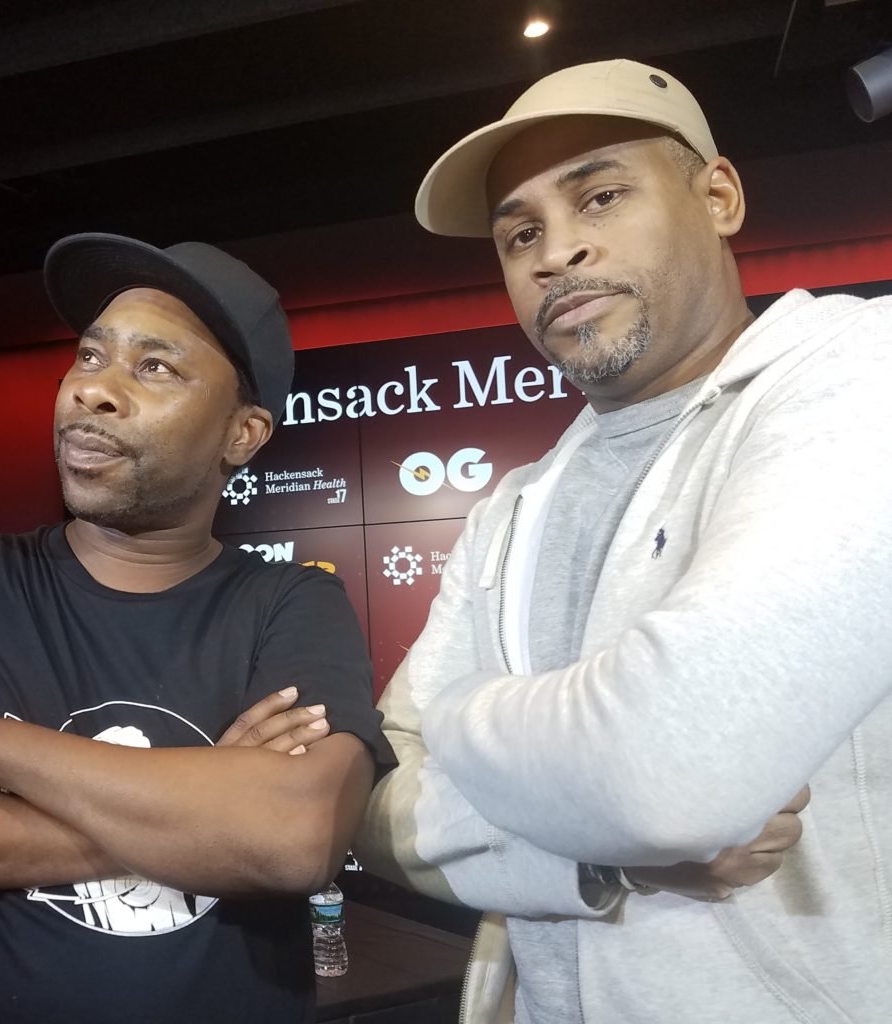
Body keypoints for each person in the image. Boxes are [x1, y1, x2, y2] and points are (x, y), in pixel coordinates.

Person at [357, 59, 892, 1023]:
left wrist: (468, 714)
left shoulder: (859, 370)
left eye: (599, 196)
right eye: (520, 234)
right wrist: (597, 856)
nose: (555, 253)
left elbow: (669, 772)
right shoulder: (510, 509)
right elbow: (376, 799)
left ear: (717, 197)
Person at [0, 233, 392, 1024]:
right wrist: (207, 809)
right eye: (91, 356)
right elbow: (252, 834)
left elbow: (294, 836)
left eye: (155, 366)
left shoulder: (292, 601)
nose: (95, 390)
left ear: (241, 435)